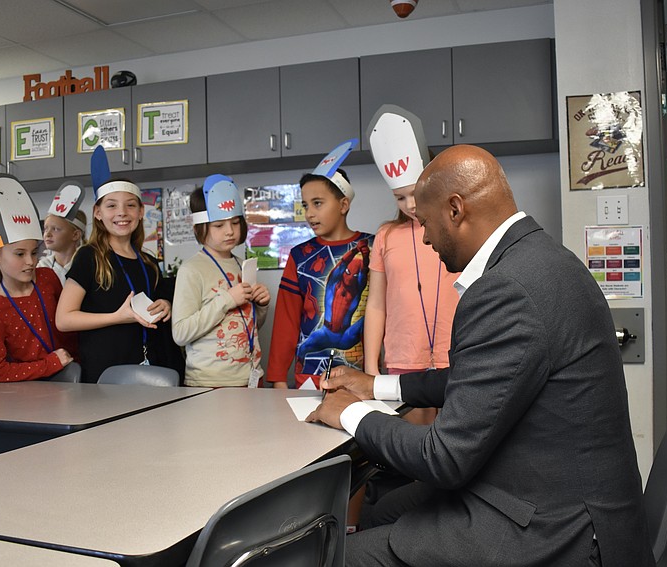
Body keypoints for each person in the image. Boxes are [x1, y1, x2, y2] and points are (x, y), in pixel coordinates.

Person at [308, 145, 654, 567]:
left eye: (427, 223)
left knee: (339, 558)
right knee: (383, 512)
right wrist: (375, 384)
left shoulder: (508, 288)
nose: (427, 238)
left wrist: (349, 413)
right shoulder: (541, 260)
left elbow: (444, 457)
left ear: (455, 209)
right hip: (546, 489)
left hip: (560, 530)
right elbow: (475, 379)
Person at [364, 105, 459, 425]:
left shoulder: (456, 229)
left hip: (456, 359)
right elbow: (376, 305)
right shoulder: (386, 236)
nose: (410, 204)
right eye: (400, 197)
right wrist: (370, 366)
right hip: (403, 361)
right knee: (411, 455)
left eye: (415, 192)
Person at [56, 146, 182, 383]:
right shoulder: (88, 257)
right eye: (111, 205)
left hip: (150, 372)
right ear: (98, 213)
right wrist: (117, 316)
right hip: (104, 376)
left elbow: (154, 306)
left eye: (131, 205)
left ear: (141, 211)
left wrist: (165, 304)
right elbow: (64, 319)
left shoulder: (150, 262)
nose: (122, 212)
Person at [266, 139, 374, 389]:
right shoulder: (300, 255)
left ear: (343, 204)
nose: (309, 213)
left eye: (318, 203)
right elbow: (286, 320)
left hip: (362, 376)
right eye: (305, 205)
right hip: (310, 379)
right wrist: (278, 378)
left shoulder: (375, 246)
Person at [171, 176, 270, 387]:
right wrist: (227, 299)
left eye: (235, 222)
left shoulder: (242, 264)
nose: (229, 231)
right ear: (199, 227)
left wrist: (260, 307)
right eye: (218, 225)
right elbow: (180, 333)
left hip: (251, 377)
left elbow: (248, 326)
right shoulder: (191, 270)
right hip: (209, 382)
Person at [0, 193, 78, 382]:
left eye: (34, 253)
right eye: (19, 254)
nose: (30, 262)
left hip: (75, 376)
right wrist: (50, 364)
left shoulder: (47, 279)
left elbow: (70, 329)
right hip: (32, 391)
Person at [39, 181, 88, 285]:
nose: (47, 234)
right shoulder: (42, 266)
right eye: (45, 229)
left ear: (75, 235)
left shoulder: (86, 264)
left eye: (55, 229)